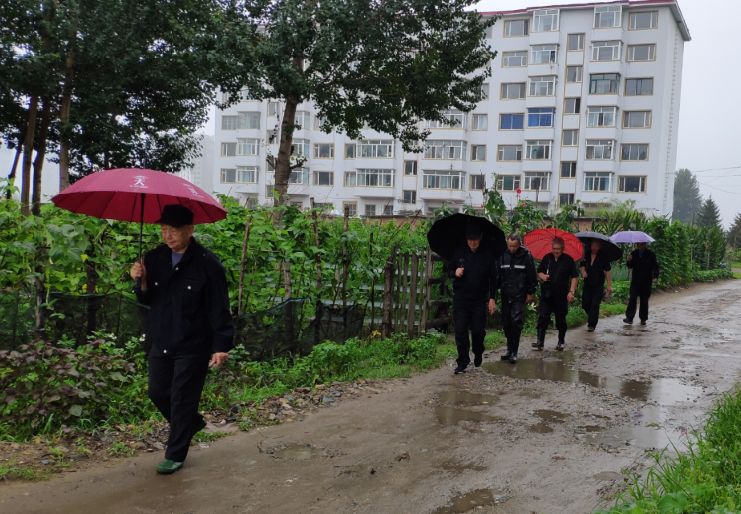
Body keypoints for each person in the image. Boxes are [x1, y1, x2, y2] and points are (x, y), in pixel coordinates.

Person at [129, 204, 234, 475]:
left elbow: (219, 308)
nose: (168, 235)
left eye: (174, 230)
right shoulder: (154, 258)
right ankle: (190, 423)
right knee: (157, 392)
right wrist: (137, 281)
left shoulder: (208, 264)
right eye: (164, 230)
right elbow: (146, 299)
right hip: (161, 338)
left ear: (190, 230)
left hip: (193, 344)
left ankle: (174, 454)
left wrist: (221, 346)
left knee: (182, 399)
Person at [449, 224, 497, 374]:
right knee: (460, 330)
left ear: (480, 239)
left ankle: (478, 351)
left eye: (475, 240)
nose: (472, 243)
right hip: (461, 299)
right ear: (466, 239)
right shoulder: (459, 252)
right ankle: (463, 361)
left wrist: (492, 298)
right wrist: (454, 271)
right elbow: (449, 270)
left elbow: (493, 278)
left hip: (479, 300)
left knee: (477, 331)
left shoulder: (488, 256)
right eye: (470, 240)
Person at [495, 234, 537, 364]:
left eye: (514, 246)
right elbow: (497, 274)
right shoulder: (502, 255)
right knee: (506, 322)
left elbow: (532, 276)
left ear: (519, 244)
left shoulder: (526, 256)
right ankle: (509, 349)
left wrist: (530, 293)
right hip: (505, 294)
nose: (512, 248)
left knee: (516, 321)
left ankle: (514, 352)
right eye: (510, 246)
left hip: (520, 294)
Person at [535, 237, 579, 351]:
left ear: (563, 248)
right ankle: (540, 341)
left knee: (561, 320)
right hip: (547, 295)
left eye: (558, 249)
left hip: (561, 296)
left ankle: (561, 341)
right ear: (552, 248)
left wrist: (571, 292)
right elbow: (539, 271)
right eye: (554, 248)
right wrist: (542, 276)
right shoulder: (547, 258)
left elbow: (574, 277)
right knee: (543, 317)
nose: (556, 251)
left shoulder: (568, 260)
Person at [580, 240, 613, 332]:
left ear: (599, 247)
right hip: (587, 284)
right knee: (585, 304)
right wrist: (583, 272)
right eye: (592, 245)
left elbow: (608, 271)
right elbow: (582, 265)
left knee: (595, 304)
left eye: (596, 246)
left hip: (598, 284)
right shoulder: (586, 254)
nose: (594, 248)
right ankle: (592, 316)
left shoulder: (603, 256)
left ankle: (592, 325)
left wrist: (609, 285)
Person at [623, 242, 660, 325]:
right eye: (639, 243)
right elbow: (630, 266)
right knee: (632, 298)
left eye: (643, 243)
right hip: (635, 281)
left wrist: (655, 276)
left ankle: (643, 318)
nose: (641, 245)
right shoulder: (634, 253)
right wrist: (629, 261)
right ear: (637, 244)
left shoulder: (651, 254)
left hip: (646, 281)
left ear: (645, 244)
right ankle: (629, 317)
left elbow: (655, 266)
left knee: (644, 300)